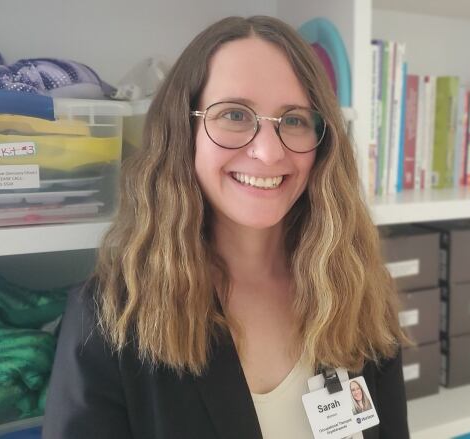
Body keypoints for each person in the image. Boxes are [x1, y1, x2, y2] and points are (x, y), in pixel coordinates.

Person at [42, 15, 409, 439]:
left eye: (293, 120)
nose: (269, 152)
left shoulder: (358, 287)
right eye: (235, 114)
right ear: (185, 131)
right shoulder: (109, 320)